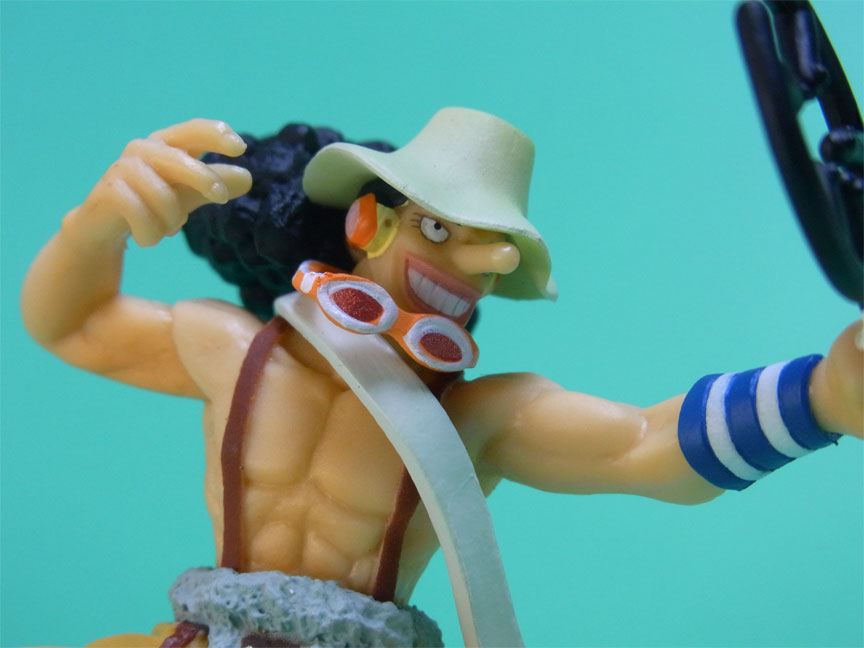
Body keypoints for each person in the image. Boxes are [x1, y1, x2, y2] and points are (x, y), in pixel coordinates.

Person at [20, 108, 863, 647]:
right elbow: (74, 323)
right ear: (368, 221)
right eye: (439, 230)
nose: (475, 266)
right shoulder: (236, 353)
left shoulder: (477, 419)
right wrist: (96, 222)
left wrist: (824, 394)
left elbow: (645, 446)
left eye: (494, 255)